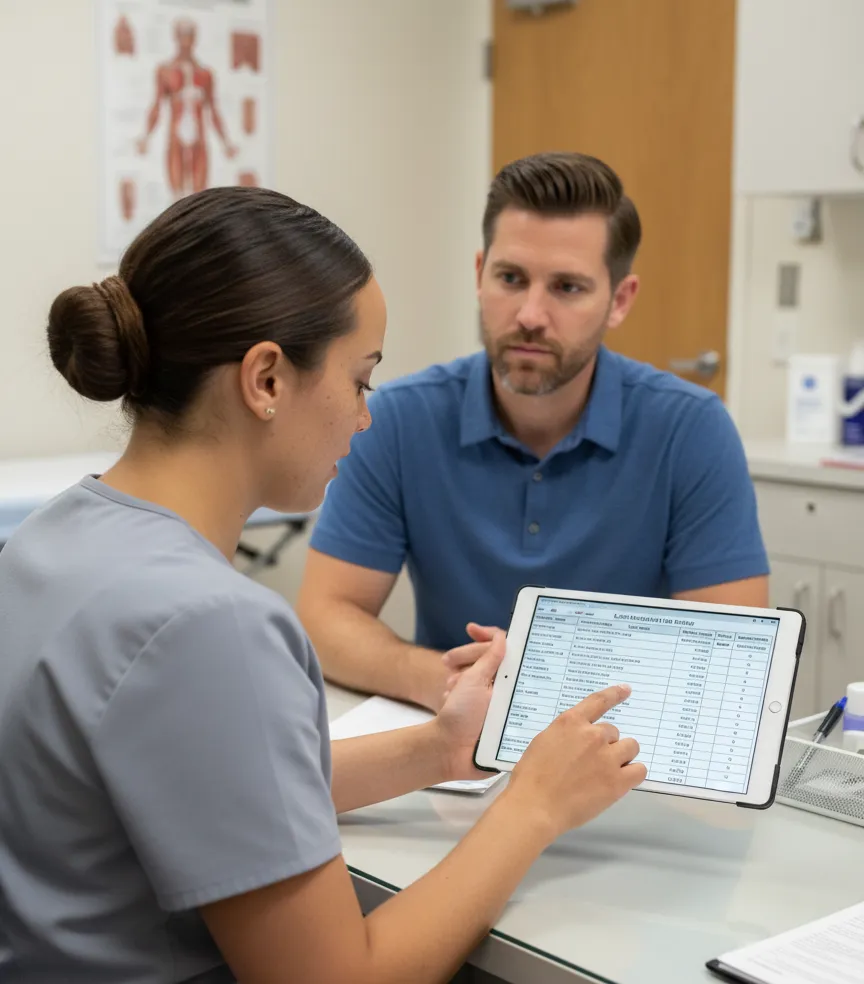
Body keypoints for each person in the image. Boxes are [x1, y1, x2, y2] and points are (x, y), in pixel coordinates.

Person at [0, 186, 646, 984]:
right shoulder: (210, 623)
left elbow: (216, 783)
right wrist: (534, 807)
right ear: (266, 378)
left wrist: (442, 746)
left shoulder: (50, 538)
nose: (365, 417)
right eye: (361, 380)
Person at [298, 152, 770, 713]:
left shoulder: (691, 429)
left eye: (567, 287)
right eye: (511, 278)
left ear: (619, 300)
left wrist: (547, 700)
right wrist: (445, 681)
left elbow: (731, 656)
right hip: (455, 741)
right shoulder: (397, 418)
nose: (530, 314)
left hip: (622, 744)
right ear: (479, 275)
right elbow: (325, 619)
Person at [137, 19, 237, 198]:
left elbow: (213, 110)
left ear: (195, 37)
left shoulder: (205, 74)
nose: (186, 40)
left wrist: (226, 142)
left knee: (199, 197)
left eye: (190, 34)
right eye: (182, 34)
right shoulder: (165, 71)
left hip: (199, 138)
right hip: (176, 138)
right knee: (177, 196)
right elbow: (157, 105)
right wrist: (146, 137)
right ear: (175, 36)